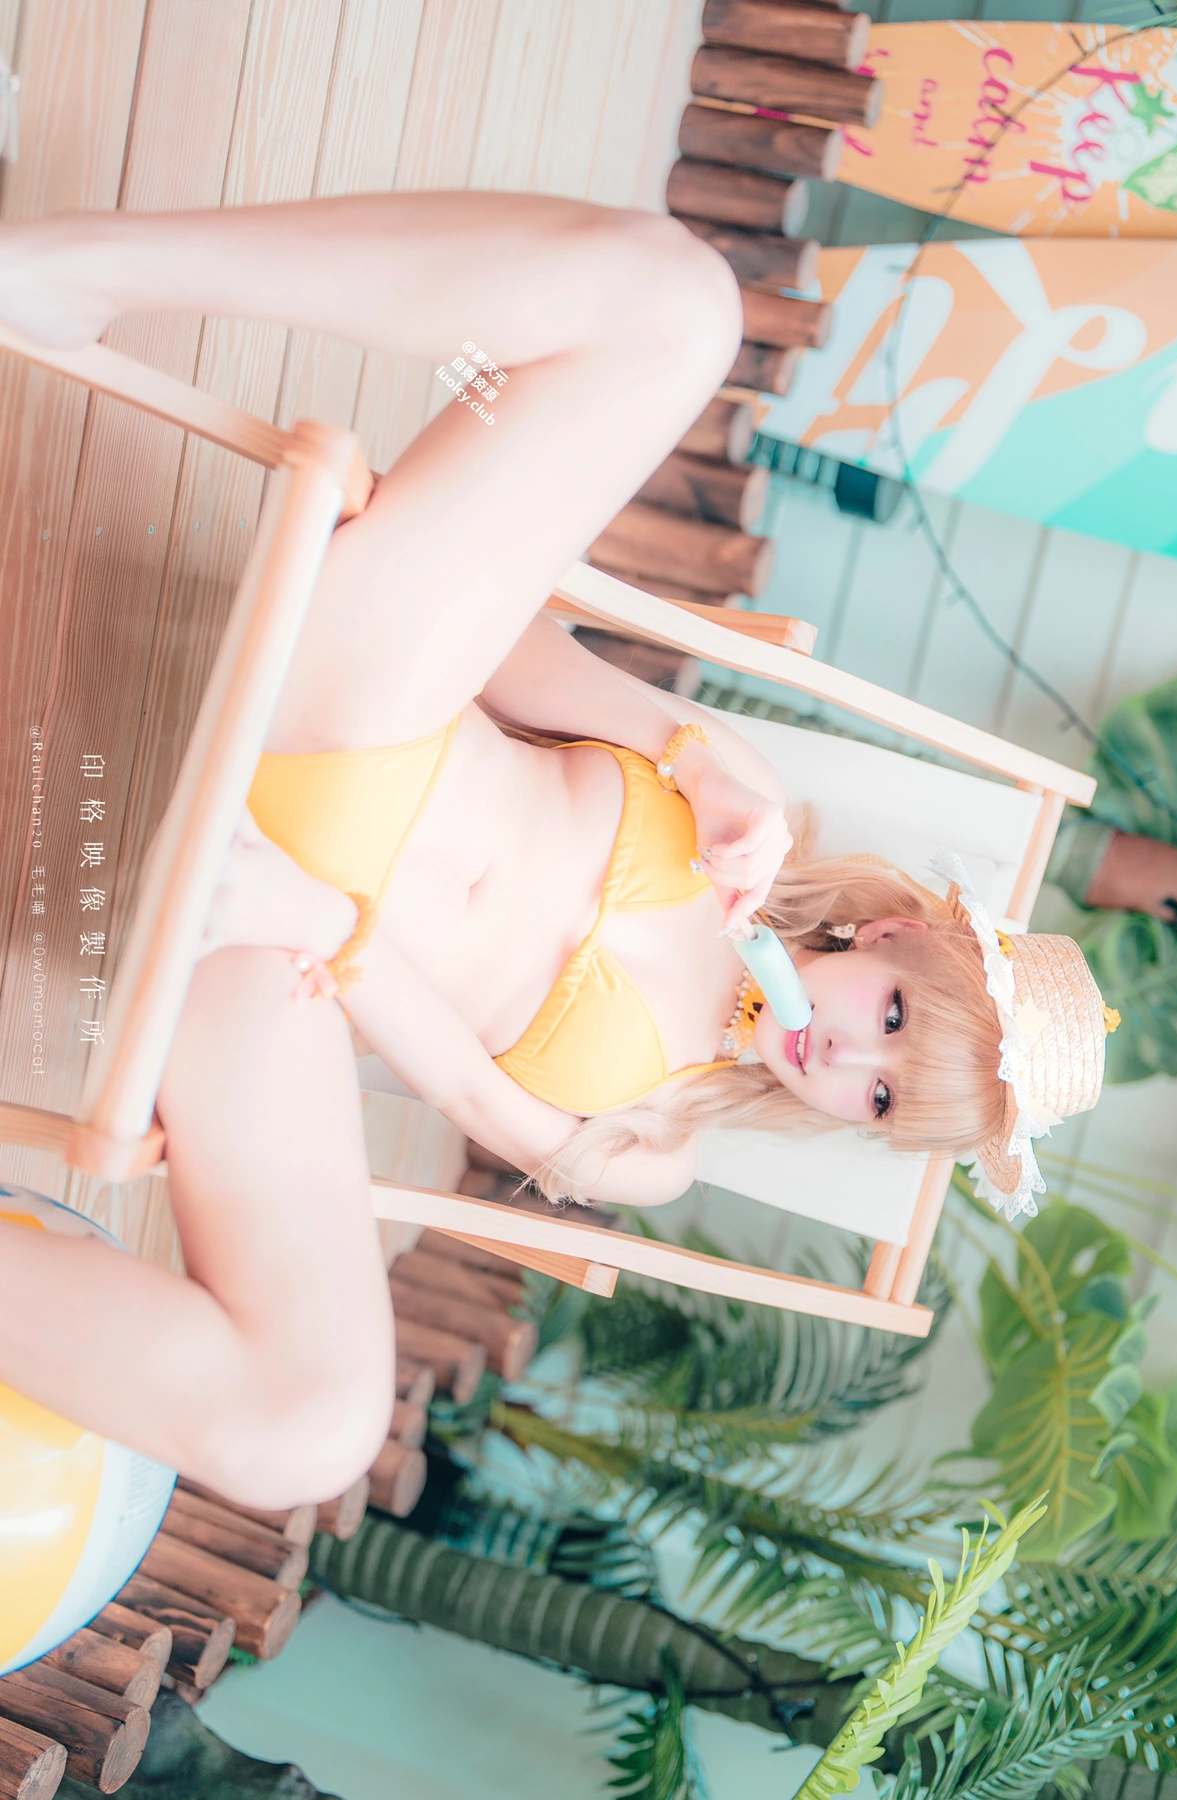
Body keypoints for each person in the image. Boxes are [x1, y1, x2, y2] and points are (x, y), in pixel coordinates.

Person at [0, 192, 1112, 1512]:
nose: (846, 1059)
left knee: (315, 1428)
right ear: (895, 937)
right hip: (351, 711)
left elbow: (468, 1092)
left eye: (878, 1102)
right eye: (892, 1021)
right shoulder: (750, 813)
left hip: (274, 947)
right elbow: (510, 649)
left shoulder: (659, 1149)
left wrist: (326, 929)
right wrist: (687, 753)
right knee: (683, 301)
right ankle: (65, 271)